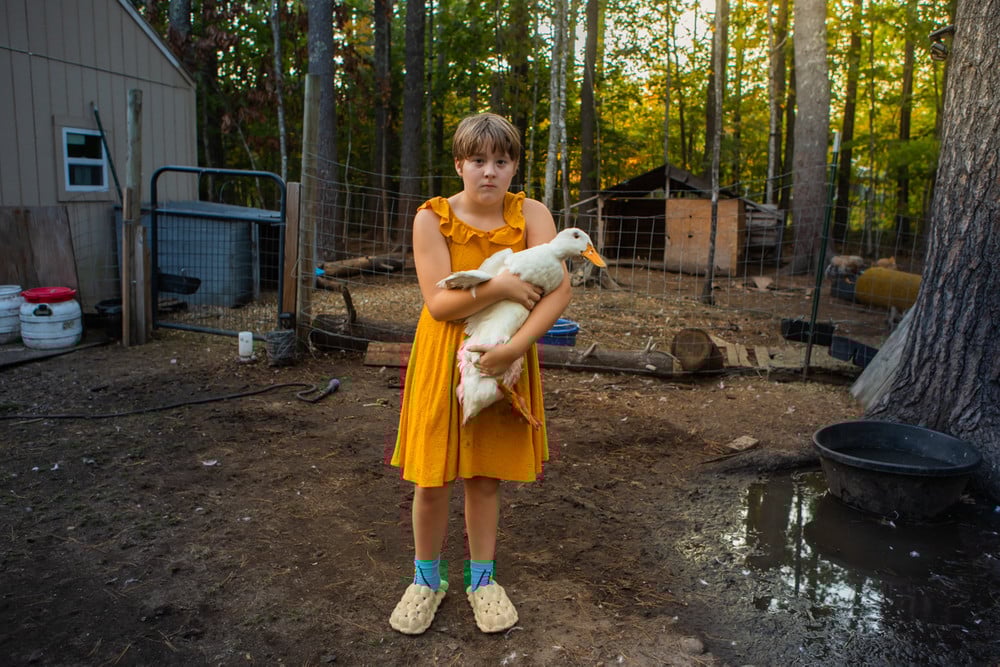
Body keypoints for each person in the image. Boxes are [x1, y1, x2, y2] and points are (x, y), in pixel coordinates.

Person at [388, 112, 571, 635]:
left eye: (501, 161)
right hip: (443, 356)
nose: (489, 171)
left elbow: (559, 291)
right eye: (477, 160)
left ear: (514, 166)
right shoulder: (432, 218)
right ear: (459, 165)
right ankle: (426, 580)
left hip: (507, 352)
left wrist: (512, 350)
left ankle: (483, 580)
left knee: (485, 476)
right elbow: (439, 304)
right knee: (431, 476)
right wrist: (501, 288)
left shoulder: (532, 214)